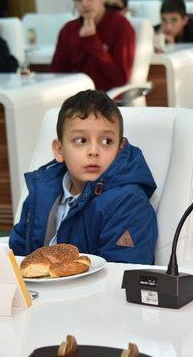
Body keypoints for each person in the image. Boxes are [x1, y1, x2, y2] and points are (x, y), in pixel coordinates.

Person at [9, 90, 158, 264]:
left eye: (106, 142)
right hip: (36, 290)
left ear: (120, 149)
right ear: (59, 150)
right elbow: (18, 254)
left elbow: (121, 274)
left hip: (91, 290)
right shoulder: (42, 191)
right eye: (81, 141)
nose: (93, 151)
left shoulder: (129, 204)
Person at [50, 0, 135, 91]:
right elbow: (56, 73)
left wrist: (91, 40)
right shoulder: (68, 29)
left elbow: (120, 78)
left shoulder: (120, 25)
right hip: (72, 98)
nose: (84, 4)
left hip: (105, 101)